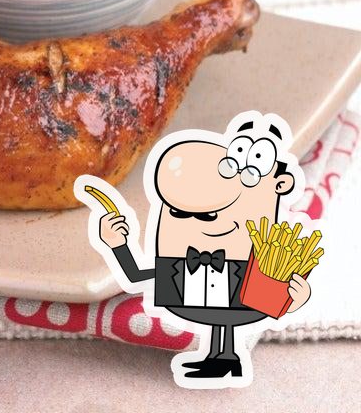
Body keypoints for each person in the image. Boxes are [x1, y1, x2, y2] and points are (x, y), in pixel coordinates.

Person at [94, 114, 311, 382]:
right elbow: (136, 276)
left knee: (225, 321)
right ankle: (221, 358)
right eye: (179, 214)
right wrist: (117, 244)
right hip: (193, 294)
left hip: (239, 293)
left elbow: (274, 297)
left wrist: (296, 297)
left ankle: (225, 358)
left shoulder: (255, 269)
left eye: (208, 215)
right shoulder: (179, 266)